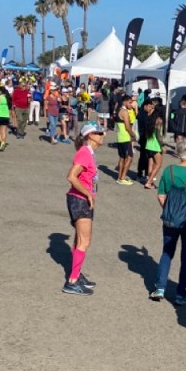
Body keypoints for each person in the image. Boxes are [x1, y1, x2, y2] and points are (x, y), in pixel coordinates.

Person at [150, 138, 186, 304]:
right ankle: (180, 294)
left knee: (167, 252)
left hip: (170, 218)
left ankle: (160, 288)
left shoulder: (168, 171)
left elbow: (161, 195)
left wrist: (171, 211)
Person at [62, 123, 105, 295]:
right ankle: (72, 281)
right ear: (90, 136)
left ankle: (76, 274)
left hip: (82, 200)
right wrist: (87, 193)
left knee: (80, 239)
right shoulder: (84, 153)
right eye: (98, 133)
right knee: (84, 241)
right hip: (79, 200)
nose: (102, 135)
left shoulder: (89, 153)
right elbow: (71, 176)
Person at [115, 94, 136, 184]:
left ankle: (120, 178)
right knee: (129, 157)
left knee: (122, 158)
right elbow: (127, 126)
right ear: (125, 102)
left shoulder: (119, 110)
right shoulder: (125, 112)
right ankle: (122, 177)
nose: (131, 105)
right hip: (125, 137)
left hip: (120, 137)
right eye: (130, 103)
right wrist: (133, 135)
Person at [136, 96, 156, 180]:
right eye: (150, 107)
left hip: (144, 137)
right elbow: (146, 126)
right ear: (145, 106)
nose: (151, 108)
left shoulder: (142, 113)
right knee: (144, 156)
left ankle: (145, 173)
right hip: (143, 137)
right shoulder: (143, 114)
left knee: (146, 156)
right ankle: (141, 174)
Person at [144, 113, 164, 189]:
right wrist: (162, 145)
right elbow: (158, 134)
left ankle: (150, 181)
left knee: (151, 165)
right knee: (158, 164)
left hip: (149, 144)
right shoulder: (159, 120)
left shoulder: (150, 120)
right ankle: (149, 182)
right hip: (155, 146)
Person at [0, 87, 11, 151]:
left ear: (0, 91)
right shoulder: (7, 97)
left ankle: (2, 142)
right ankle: (3, 142)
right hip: (6, 115)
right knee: (4, 130)